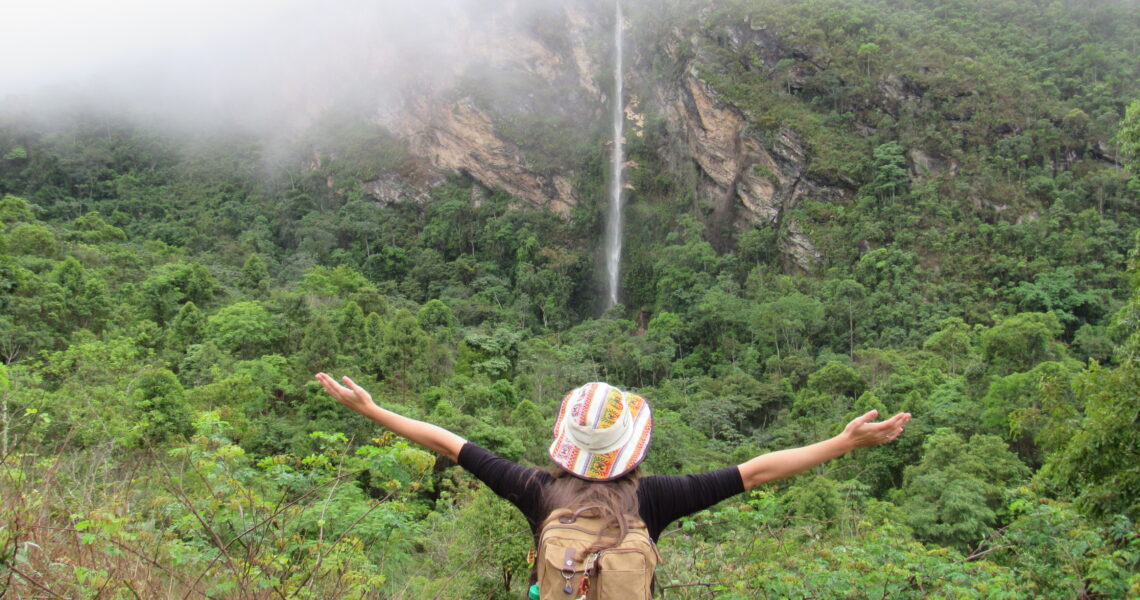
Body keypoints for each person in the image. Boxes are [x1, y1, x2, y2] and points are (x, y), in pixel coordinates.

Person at [315, 374, 910, 598]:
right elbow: (756, 471)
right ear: (633, 446)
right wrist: (845, 442)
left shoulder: (535, 490)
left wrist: (372, 409)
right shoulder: (656, 499)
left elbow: (448, 444)